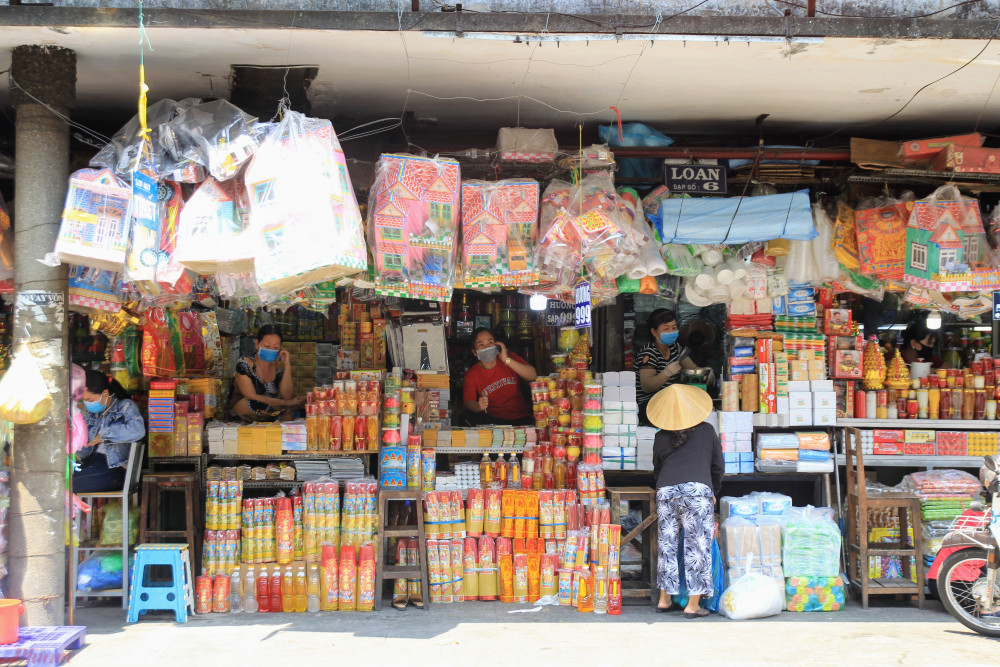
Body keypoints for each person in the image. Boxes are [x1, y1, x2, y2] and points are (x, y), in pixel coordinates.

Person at [648, 384, 723, 618]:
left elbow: (656, 471)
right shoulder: (707, 431)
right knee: (697, 547)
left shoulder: (660, 436)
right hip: (697, 493)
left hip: (667, 493)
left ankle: (664, 599)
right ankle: (693, 604)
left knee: (667, 546)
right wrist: (713, 491)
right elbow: (717, 467)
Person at [74, 370, 146, 493]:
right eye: (85, 401)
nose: (88, 405)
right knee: (62, 478)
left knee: (65, 485)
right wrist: (78, 447)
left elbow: (138, 430)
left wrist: (104, 434)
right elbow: (84, 451)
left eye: (90, 400)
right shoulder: (92, 415)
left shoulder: (125, 406)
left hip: (115, 471)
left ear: (105, 394)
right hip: (93, 465)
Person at [636, 308, 708, 424]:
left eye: (674, 328)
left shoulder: (675, 348)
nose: (671, 331)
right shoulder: (648, 353)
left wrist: (706, 372)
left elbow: (693, 369)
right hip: (650, 405)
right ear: (654, 332)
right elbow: (647, 386)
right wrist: (666, 373)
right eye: (666, 329)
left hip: (671, 401)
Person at [462, 327, 537, 426]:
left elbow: (532, 375)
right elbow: (468, 402)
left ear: (496, 344)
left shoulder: (510, 358)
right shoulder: (472, 374)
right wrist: (478, 406)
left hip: (521, 419)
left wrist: (506, 359)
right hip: (494, 423)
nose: (487, 347)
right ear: (474, 352)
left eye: (490, 342)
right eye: (481, 344)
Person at [231, 325, 304, 422]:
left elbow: (287, 396)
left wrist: (287, 366)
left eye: (275, 347)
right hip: (246, 411)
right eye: (267, 346)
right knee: (251, 403)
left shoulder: (279, 366)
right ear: (257, 344)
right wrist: (289, 403)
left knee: (295, 406)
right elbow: (251, 396)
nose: (271, 350)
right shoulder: (245, 364)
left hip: (269, 410)